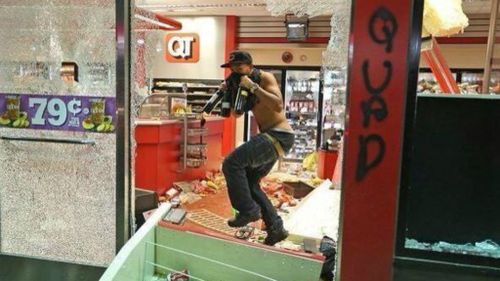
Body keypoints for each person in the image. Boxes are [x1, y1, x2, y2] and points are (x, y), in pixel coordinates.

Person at [220, 50, 295, 246]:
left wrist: (253, 87)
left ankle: (248, 210)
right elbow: (235, 115)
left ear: (250, 65)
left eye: (239, 67)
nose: (236, 70)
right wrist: (229, 91)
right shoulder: (242, 84)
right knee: (250, 183)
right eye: (232, 68)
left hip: (279, 134)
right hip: (271, 136)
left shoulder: (264, 78)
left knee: (231, 163)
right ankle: (276, 228)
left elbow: (278, 106)